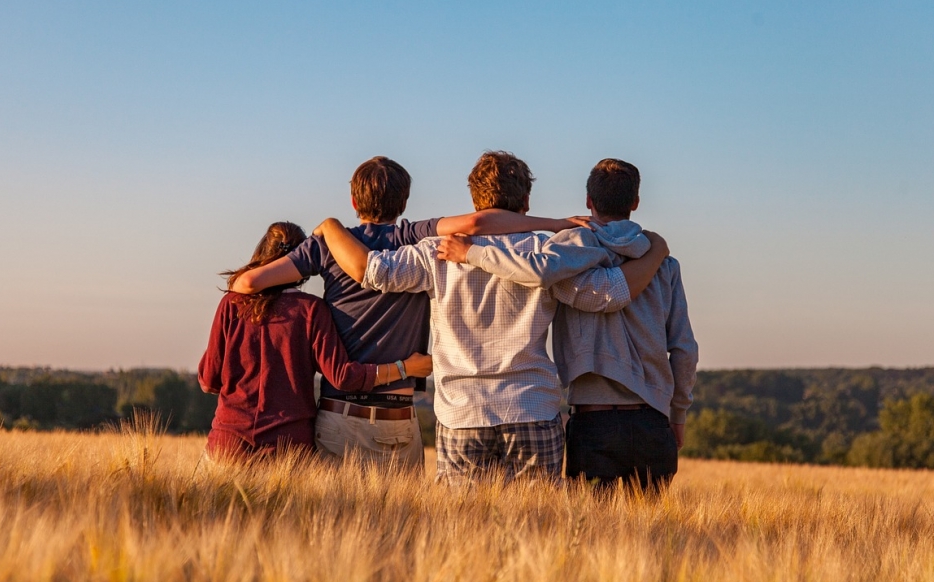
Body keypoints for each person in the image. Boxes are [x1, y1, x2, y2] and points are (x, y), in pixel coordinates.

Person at [317, 151, 669, 485]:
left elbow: (373, 272)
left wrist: (331, 228)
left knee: (463, 531)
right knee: (538, 529)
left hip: (462, 412)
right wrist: (655, 252)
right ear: (526, 203)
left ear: (474, 201)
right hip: (531, 407)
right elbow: (606, 295)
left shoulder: (435, 251)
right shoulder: (546, 252)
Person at [230, 156, 591, 469]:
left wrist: (325, 231)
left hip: (341, 413)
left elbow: (247, 285)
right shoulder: (414, 237)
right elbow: (479, 224)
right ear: (404, 202)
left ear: (354, 201)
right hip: (400, 417)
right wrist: (556, 224)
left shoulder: (328, 245)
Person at [438, 158, 698, 493]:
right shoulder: (664, 264)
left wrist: (472, 253)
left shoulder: (567, 252)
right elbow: (684, 348)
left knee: (589, 536)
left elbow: (537, 271)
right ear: (635, 202)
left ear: (589, 201)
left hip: (593, 421)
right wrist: (678, 414)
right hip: (653, 421)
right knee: (654, 539)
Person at [198, 221, 432, 460]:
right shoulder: (311, 310)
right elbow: (343, 376)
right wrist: (405, 368)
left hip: (228, 444)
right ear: (302, 261)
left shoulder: (231, 304)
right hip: (288, 449)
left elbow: (209, 381)